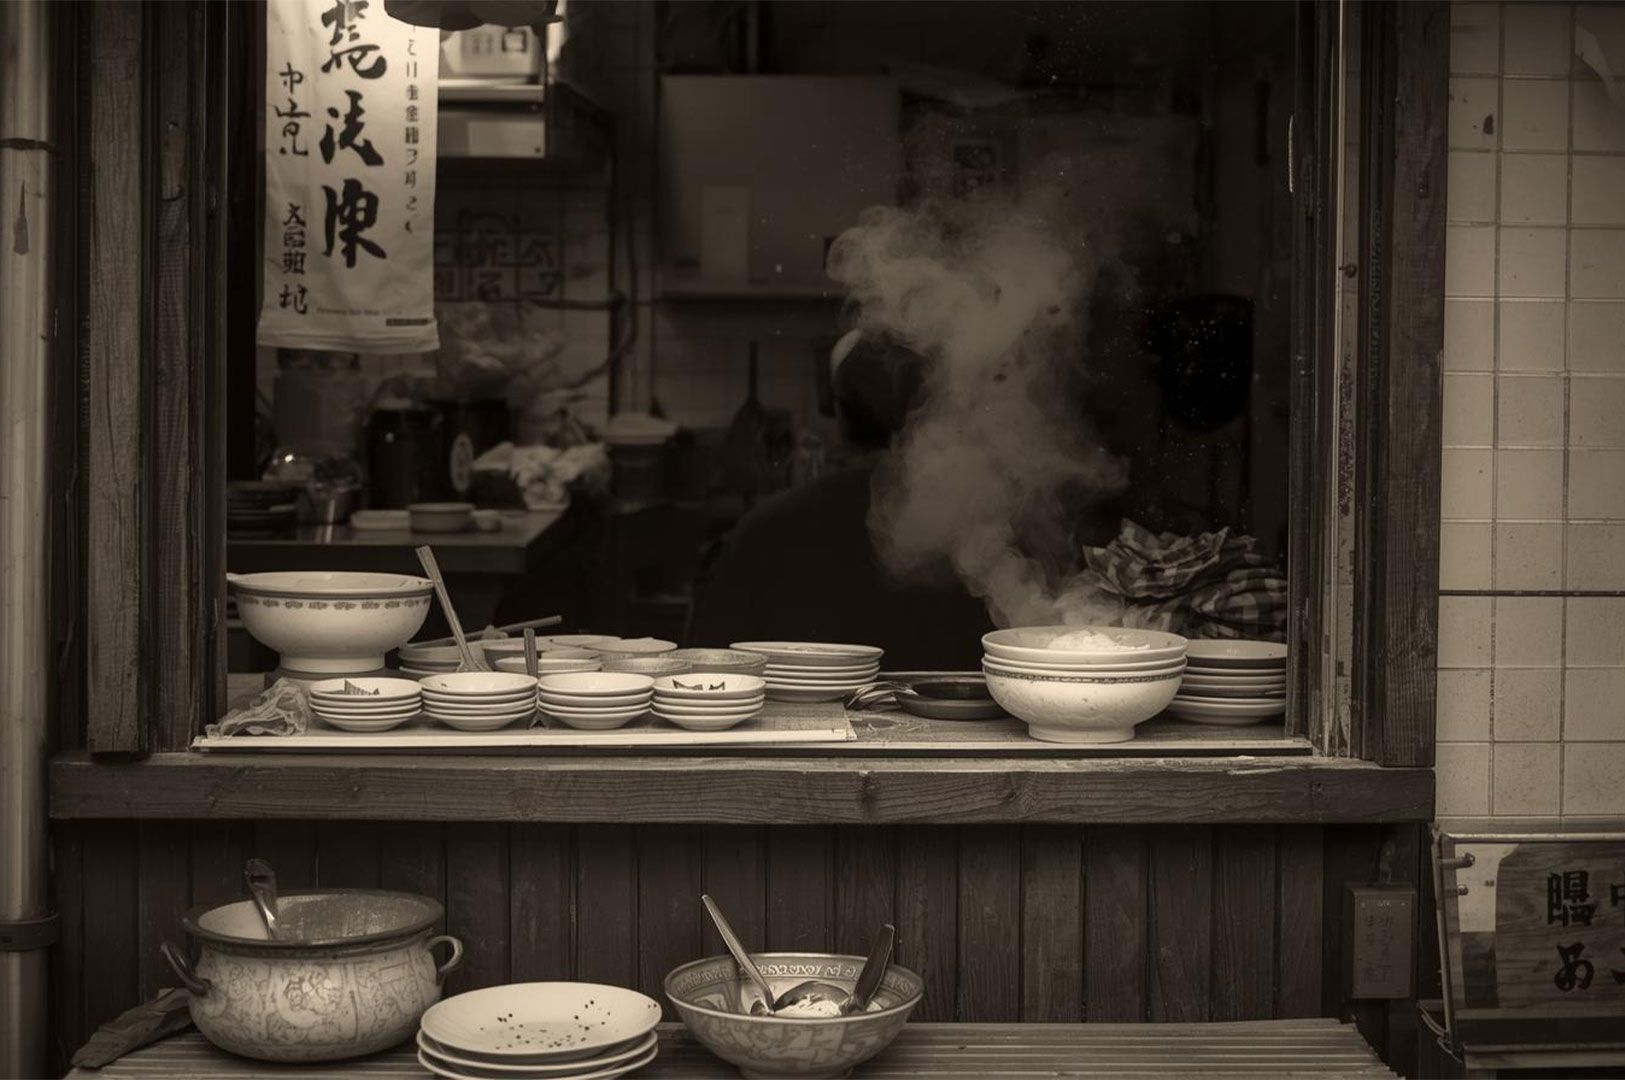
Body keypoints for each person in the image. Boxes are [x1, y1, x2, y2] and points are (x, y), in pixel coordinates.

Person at [686, 332, 996, 671]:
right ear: (931, 414)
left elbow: (708, 674)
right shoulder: (986, 540)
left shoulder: (764, 529)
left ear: (838, 413)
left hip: (808, 722)